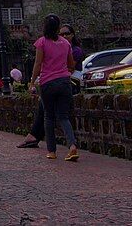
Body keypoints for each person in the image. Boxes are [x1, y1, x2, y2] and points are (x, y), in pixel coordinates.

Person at [29, 14, 79, 161]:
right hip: (64, 82)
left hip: (47, 83)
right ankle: (72, 146)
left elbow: (38, 64)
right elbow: (71, 64)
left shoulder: (42, 42)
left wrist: (32, 82)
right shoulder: (65, 43)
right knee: (64, 116)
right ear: (58, 27)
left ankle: (52, 151)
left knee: (49, 117)